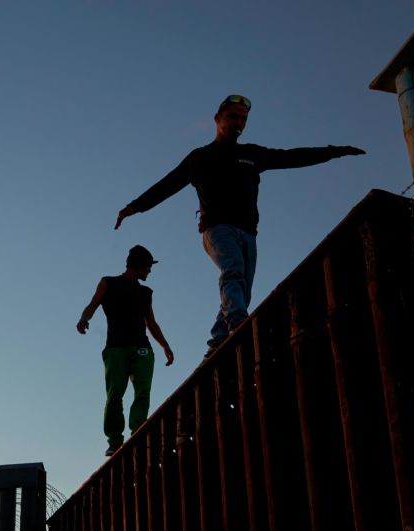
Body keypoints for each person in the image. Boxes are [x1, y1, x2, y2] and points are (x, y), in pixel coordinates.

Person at [114, 94, 365, 356]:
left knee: (242, 290)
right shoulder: (199, 158)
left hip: (248, 233)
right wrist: (133, 207)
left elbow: (292, 157)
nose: (238, 123)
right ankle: (237, 321)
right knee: (232, 270)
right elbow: (167, 185)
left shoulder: (252, 154)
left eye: (243, 119)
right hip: (217, 229)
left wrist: (335, 151)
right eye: (233, 116)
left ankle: (217, 341)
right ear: (217, 119)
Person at [77, 244, 174, 456]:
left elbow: (151, 323)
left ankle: (138, 430)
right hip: (116, 349)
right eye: (148, 266)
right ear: (139, 265)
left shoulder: (145, 292)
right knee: (114, 395)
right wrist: (84, 318)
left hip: (142, 349)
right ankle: (114, 440)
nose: (149, 271)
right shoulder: (108, 283)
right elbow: (92, 305)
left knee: (142, 392)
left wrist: (165, 345)